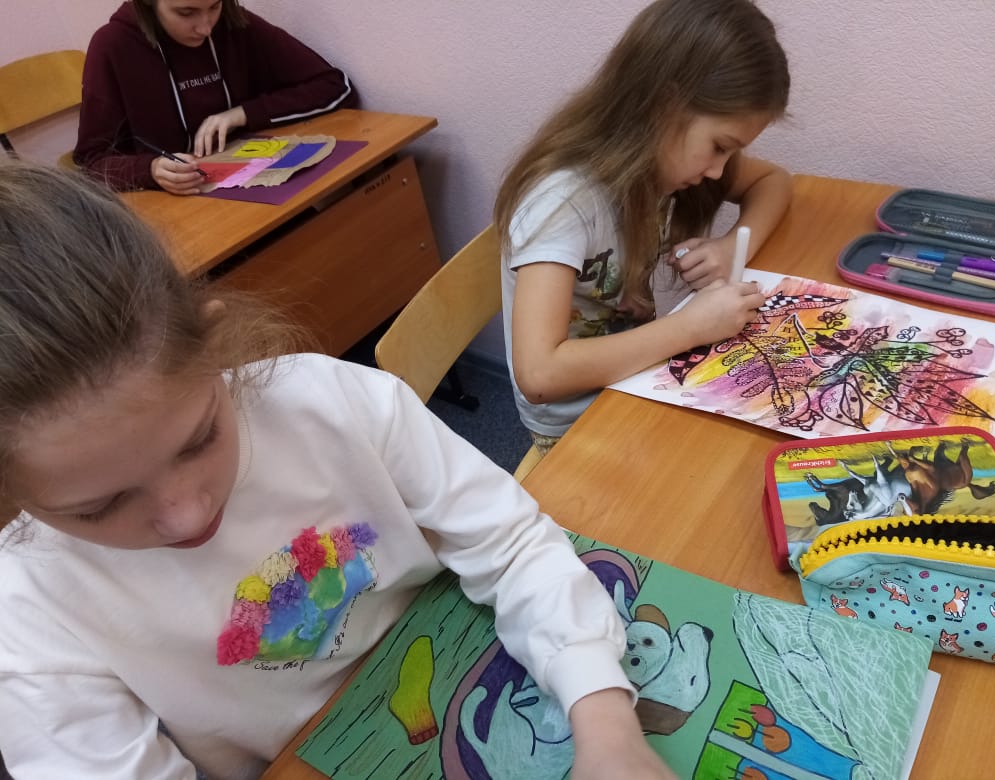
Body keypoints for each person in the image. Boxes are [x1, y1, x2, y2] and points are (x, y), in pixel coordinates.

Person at [0, 162, 675, 779]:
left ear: (213, 343)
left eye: (199, 438)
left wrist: (606, 723)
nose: (188, 514)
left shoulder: (326, 401)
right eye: (98, 507)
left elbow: (512, 541)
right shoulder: (27, 609)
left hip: (473, 653)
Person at [495, 0, 792, 453]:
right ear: (664, 105)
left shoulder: (655, 166)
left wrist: (735, 246)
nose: (719, 170)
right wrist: (690, 328)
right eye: (719, 146)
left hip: (640, 378)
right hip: (577, 422)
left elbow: (775, 182)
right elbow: (539, 375)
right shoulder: (561, 203)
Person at [74, 0, 357, 195]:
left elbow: (334, 86)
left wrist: (242, 114)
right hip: (176, 213)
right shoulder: (113, 45)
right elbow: (91, 162)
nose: (206, 27)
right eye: (186, 13)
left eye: (214, 6)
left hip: (253, 189)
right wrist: (151, 170)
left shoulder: (235, 23)